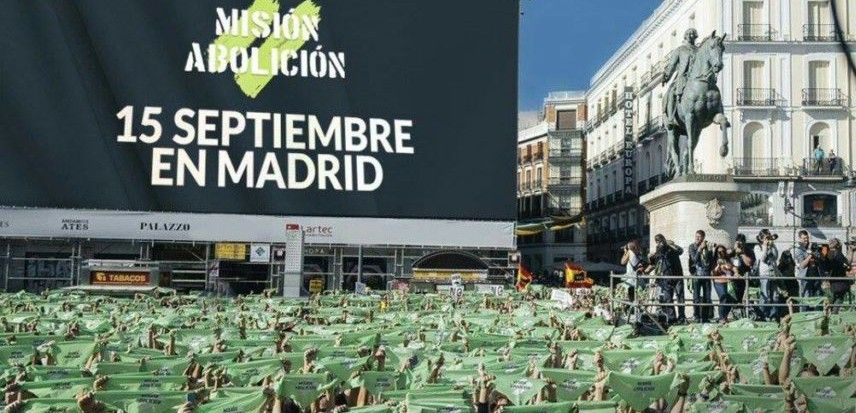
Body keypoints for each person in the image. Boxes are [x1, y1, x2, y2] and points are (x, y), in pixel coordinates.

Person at [648, 233, 685, 324]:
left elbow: (680, 251)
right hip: (666, 277)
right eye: (657, 241)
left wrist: (670, 244)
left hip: (677, 275)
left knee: (680, 297)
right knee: (668, 298)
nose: (658, 243)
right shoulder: (659, 249)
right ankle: (672, 318)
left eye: (660, 240)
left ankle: (681, 318)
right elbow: (655, 262)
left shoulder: (671, 247)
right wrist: (650, 257)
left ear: (663, 239)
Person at [687, 230, 714, 323]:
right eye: (696, 236)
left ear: (703, 238)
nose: (697, 238)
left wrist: (710, 250)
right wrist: (699, 249)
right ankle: (697, 316)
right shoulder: (692, 247)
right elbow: (694, 259)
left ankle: (705, 318)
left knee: (707, 297)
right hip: (696, 275)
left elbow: (711, 261)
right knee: (696, 297)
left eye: (699, 237)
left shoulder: (707, 247)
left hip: (706, 275)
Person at [754, 229, 780, 321]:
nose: (768, 239)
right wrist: (765, 246)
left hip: (773, 273)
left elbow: (776, 256)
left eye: (769, 237)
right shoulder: (757, 247)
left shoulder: (772, 246)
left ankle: (773, 316)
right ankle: (762, 315)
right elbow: (762, 258)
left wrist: (772, 246)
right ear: (761, 239)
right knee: (765, 295)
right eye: (766, 237)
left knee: (775, 296)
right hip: (764, 274)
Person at [819, 238, 852, 305]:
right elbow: (847, 267)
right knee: (835, 299)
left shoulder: (835, 254)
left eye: (833, 241)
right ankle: (833, 312)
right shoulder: (829, 252)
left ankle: (833, 312)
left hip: (835, 281)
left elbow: (824, 265)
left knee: (834, 300)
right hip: (834, 281)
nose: (830, 242)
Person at [792, 230, 821, 303]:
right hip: (805, 277)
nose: (806, 240)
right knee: (806, 298)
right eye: (804, 238)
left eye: (807, 238)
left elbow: (819, 260)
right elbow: (802, 265)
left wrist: (814, 252)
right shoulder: (798, 250)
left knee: (816, 297)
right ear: (799, 239)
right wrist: (810, 255)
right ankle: (804, 313)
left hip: (815, 276)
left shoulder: (812, 248)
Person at [729, 234, 754, 315]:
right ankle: (735, 313)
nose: (740, 244)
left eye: (741, 242)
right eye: (738, 242)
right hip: (734, 278)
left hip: (745, 278)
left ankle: (745, 313)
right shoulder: (733, 250)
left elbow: (749, 263)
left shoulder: (748, 251)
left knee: (745, 298)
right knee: (734, 298)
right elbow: (726, 260)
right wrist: (734, 249)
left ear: (744, 242)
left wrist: (742, 254)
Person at [712, 246, 735, 323]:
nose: (721, 253)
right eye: (719, 252)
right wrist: (718, 266)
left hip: (728, 282)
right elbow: (713, 273)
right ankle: (721, 317)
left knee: (730, 299)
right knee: (723, 297)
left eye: (722, 251)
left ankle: (725, 317)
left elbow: (733, 269)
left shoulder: (728, 260)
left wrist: (730, 267)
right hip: (719, 282)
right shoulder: (714, 261)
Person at [620, 239, 645, 305]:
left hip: (631, 278)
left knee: (631, 298)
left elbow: (622, 262)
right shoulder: (640, 252)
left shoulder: (630, 252)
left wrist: (625, 252)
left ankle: (632, 309)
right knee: (638, 297)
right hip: (639, 278)